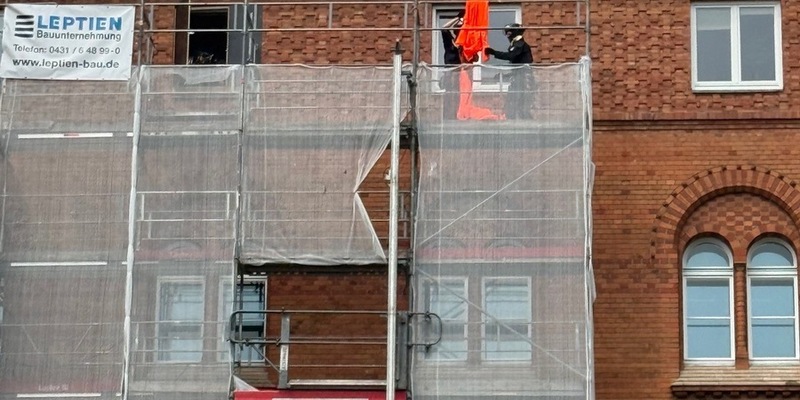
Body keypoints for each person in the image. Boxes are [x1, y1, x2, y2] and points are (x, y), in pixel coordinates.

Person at [484, 23, 533, 119]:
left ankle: (524, 123)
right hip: (519, 77)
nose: (507, 36)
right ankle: (514, 120)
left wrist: (494, 52)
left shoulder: (519, 44)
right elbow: (517, 68)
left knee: (521, 103)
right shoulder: (516, 44)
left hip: (524, 79)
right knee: (514, 101)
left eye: (509, 33)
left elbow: (511, 56)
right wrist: (504, 76)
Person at [440, 11, 464, 119]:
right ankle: (447, 116)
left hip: (458, 72)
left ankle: (455, 116)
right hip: (450, 71)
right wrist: (457, 18)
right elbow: (444, 28)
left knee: (457, 94)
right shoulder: (450, 40)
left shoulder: (463, 43)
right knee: (449, 94)